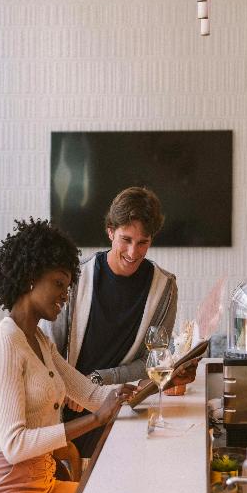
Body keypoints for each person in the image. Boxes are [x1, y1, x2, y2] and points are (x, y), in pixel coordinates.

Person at [0, 218, 136, 493]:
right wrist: (95, 420)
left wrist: (153, 388)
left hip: (42, 485)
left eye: (67, 287)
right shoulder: (7, 343)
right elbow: (14, 445)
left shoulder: (39, 340)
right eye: (59, 284)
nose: (65, 295)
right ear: (31, 278)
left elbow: (91, 394)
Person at [41, 186, 196, 457]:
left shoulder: (164, 288)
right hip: (67, 411)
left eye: (143, 242)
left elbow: (152, 361)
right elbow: (47, 349)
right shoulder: (75, 279)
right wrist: (75, 389)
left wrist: (99, 380)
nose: (133, 252)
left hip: (124, 411)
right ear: (110, 231)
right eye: (126, 239)